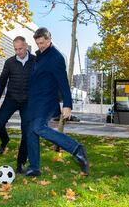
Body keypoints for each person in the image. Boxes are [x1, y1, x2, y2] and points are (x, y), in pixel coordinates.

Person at [24, 27, 89, 177]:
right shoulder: (39, 56)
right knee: (30, 132)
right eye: (38, 43)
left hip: (47, 101)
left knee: (38, 127)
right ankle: (34, 167)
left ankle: (77, 149)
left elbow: (63, 83)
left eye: (42, 42)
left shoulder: (55, 57)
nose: (40, 46)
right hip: (34, 101)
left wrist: (67, 104)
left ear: (49, 39)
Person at [0, 36, 35, 174]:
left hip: (28, 101)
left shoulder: (35, 61)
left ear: (26, 46)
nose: (18, 52)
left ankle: (20, 163)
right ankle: (5, 141)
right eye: (15, 49)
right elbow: (2, 81)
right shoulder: (10, 62)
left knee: (27, 132)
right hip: (11, 98)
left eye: (20, 48)